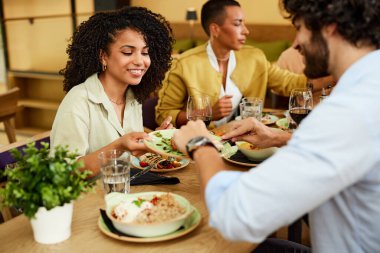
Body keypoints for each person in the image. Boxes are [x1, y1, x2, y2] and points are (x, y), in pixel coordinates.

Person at [172, 0, 380, 252]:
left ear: (329, 26)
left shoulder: (348, 110)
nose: (296, 43)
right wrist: (280, 138)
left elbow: (236, 214)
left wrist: (201, 144)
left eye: (299, 27)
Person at [155, 0, 320, 129]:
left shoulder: (255, 57)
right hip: (199, 144)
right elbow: (163, 114)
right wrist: (207, 113)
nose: (246, 31)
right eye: (237, 24)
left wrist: (336, 76)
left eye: (244, 23)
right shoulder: (183, 64)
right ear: (215, 29)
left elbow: (292, 83)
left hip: (245, 141)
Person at [50, 7, 174, 176]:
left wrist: (156, 140)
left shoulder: (133, 97)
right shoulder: (78, 101)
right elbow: (62, 172)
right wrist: (119, 146)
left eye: (145, 52)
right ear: (103, 56)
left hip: (126, 193)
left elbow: (131, 159)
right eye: (128, 52)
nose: (140, 61)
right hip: (88, 199)